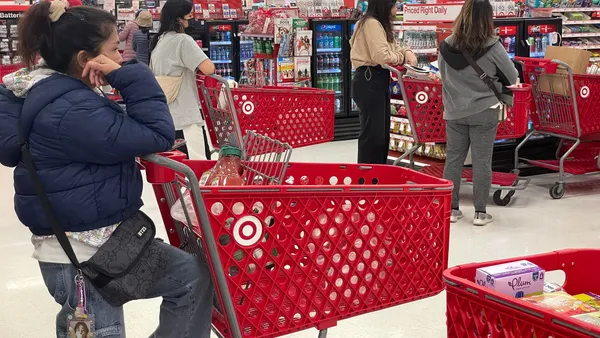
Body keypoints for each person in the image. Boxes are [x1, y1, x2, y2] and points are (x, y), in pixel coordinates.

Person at [0, 1, 213, 337]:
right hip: (89, 254)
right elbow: (157, 134)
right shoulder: (72, 109)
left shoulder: (46, 91)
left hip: (79, 244)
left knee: (190, 277)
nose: (121, 57)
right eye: (115, 49)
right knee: (180, 284)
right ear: (86, 59)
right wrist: (131, 75)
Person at [438, 0, 518, 226]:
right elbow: (511, 77)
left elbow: (443, 77)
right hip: (484, 110)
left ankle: (451, 210)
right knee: (482, 161)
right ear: (487, 18)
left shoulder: (445, 46)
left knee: (453, 160)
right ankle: (480, 213)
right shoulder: (493, 46)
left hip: (454, 111)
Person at [350, 0, 417, 164]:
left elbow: (393, 48)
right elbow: (382, 56)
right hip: (370, 80)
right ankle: (367, 179)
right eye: (394, 5)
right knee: (373, 137)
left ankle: (377, 176)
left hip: (374, 80)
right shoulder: (372, 24)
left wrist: (405, 51)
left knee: (379, 135)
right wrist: (402, 58)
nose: (396, 9)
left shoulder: (373, 24)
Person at [150, 0, 215, 160]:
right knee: (197, 168)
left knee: (176, 172)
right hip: (185, 115)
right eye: (189, 15)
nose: (192, 18)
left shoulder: (160, 40)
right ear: (179, 18)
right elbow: (209, 68)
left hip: (167, 115)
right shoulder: (183, 40)